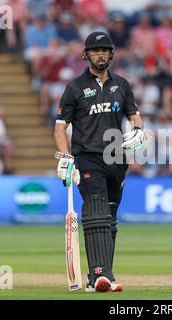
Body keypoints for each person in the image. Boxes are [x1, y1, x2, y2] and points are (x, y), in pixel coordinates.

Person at [54, 31, 147, 293]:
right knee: (96, 211)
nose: (100, 54)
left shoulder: (123, 85)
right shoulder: (74, 88)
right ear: (86, 55)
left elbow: (134, 117)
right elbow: (60, 128)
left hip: (117, 158)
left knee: (110, 219)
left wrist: (138, 132)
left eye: (105, 50)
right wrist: (65, 156)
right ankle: (100, 276)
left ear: (111, 54)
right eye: (95, 51)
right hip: (87, 157)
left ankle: (101, 276)